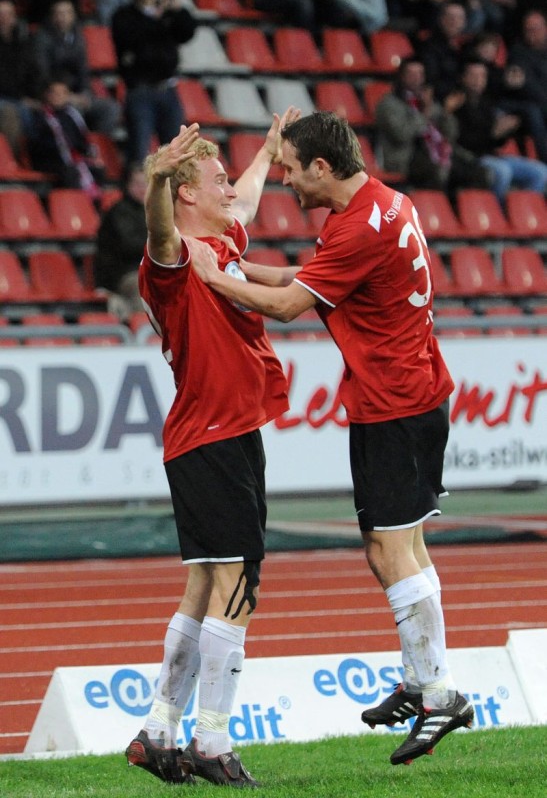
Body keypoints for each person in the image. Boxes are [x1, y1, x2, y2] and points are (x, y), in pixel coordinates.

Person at [190, 110, 475, 768]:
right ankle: (422, 679)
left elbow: (291, 305)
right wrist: (241, 263)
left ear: (321, 166)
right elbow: (312, 276)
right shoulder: (381, 204)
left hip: (394, 401)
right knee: (397, 544)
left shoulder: (355, 228)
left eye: (291, 169)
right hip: (410, 393)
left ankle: (439, 695)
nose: (285, 181)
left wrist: (214, 277)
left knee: (390, 549)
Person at [124, 109, 297, 786]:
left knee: (204, 584)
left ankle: (158, 731)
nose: (231, 190)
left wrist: (267, 153)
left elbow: (245, 199)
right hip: (212, 437)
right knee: (237, 583)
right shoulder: (171, 261)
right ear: (187, 194)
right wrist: (156, 181)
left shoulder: (221, 245)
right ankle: (213, 740)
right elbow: (159, 231)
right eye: (217, 181)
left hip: (222, 434)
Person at [375, 56, 491, 194]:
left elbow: (451, 134)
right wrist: (424, 114)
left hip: (437, 153)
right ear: (401, 76)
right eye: (411, 74)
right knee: (438, 171)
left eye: (420, 74)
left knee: (480, 172)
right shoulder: (389, 104)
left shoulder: (428, 101)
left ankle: (462, 205)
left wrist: (446, 113)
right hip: (407, 157)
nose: (416, 79)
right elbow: (402, 135)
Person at [111, 0, 197, 167]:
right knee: (139, 151)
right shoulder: (124, 16)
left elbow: (186, 33)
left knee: (177, 149)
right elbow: (133, 39)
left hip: (168, 88)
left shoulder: (167, 14)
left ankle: (172, 183)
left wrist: (179, 11)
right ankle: (136, 182)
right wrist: (154, 17)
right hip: (140, 90)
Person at [452, 58, 547, 205]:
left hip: (492, 155)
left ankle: (523, 210)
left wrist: (505, 131)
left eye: (482, 76)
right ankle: (497, 211)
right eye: (473, 75)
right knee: (503, 172)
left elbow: (496, 141)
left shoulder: (487, 102)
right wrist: (492, 133)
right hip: (470, 158)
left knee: (540, 172)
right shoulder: (455, 105)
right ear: (463, 78)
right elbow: (460, 141)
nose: (478, 80)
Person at [32, 0, 121, 136]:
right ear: (52, 16)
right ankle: (77, 146)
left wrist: (85, 93)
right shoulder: (42, 38)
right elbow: (44, 73)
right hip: (55, 93)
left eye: (67, 13)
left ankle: (97, 143)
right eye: (59, 13)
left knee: (110, 108)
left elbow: (83, 70)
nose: (63, 17)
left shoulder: (78, 35)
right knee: (74, 110)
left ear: (73, 15)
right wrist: (66, 96)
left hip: (77, 93)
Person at [27, 79, 104, 203]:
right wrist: (61, 150)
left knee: (97, 169)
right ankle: (75, 205)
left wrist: (88, 153)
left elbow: (81, 140)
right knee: (71, 171)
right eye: (55, 93)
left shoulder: (71, 115)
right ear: (47, 95)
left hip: (70, 158)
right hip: (49, 159)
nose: (59, 96)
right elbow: (36, 144)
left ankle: (95, 206)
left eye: (63, 93)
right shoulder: (39, 117)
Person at [93, 163, 147, 320]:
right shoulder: (118, 212)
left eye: (146, 184)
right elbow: (129, 246)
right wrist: (161, 247)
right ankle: (143, 328)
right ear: (127, 185)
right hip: (122, 274)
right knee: (144, 285)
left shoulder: (154, 210)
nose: (143, 189)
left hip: (148, 269)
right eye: (137, 184)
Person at [0, 0, 40, 156]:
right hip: (6, 98)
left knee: (49, 108)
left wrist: (36, 96)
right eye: (0, 15)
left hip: (20, 97)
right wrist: (21, 98)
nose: (4, 19)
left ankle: (41, 158)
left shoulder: (24, 41)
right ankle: (14, 160)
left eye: (8, 14)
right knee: (11, 112)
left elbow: (33, 73)